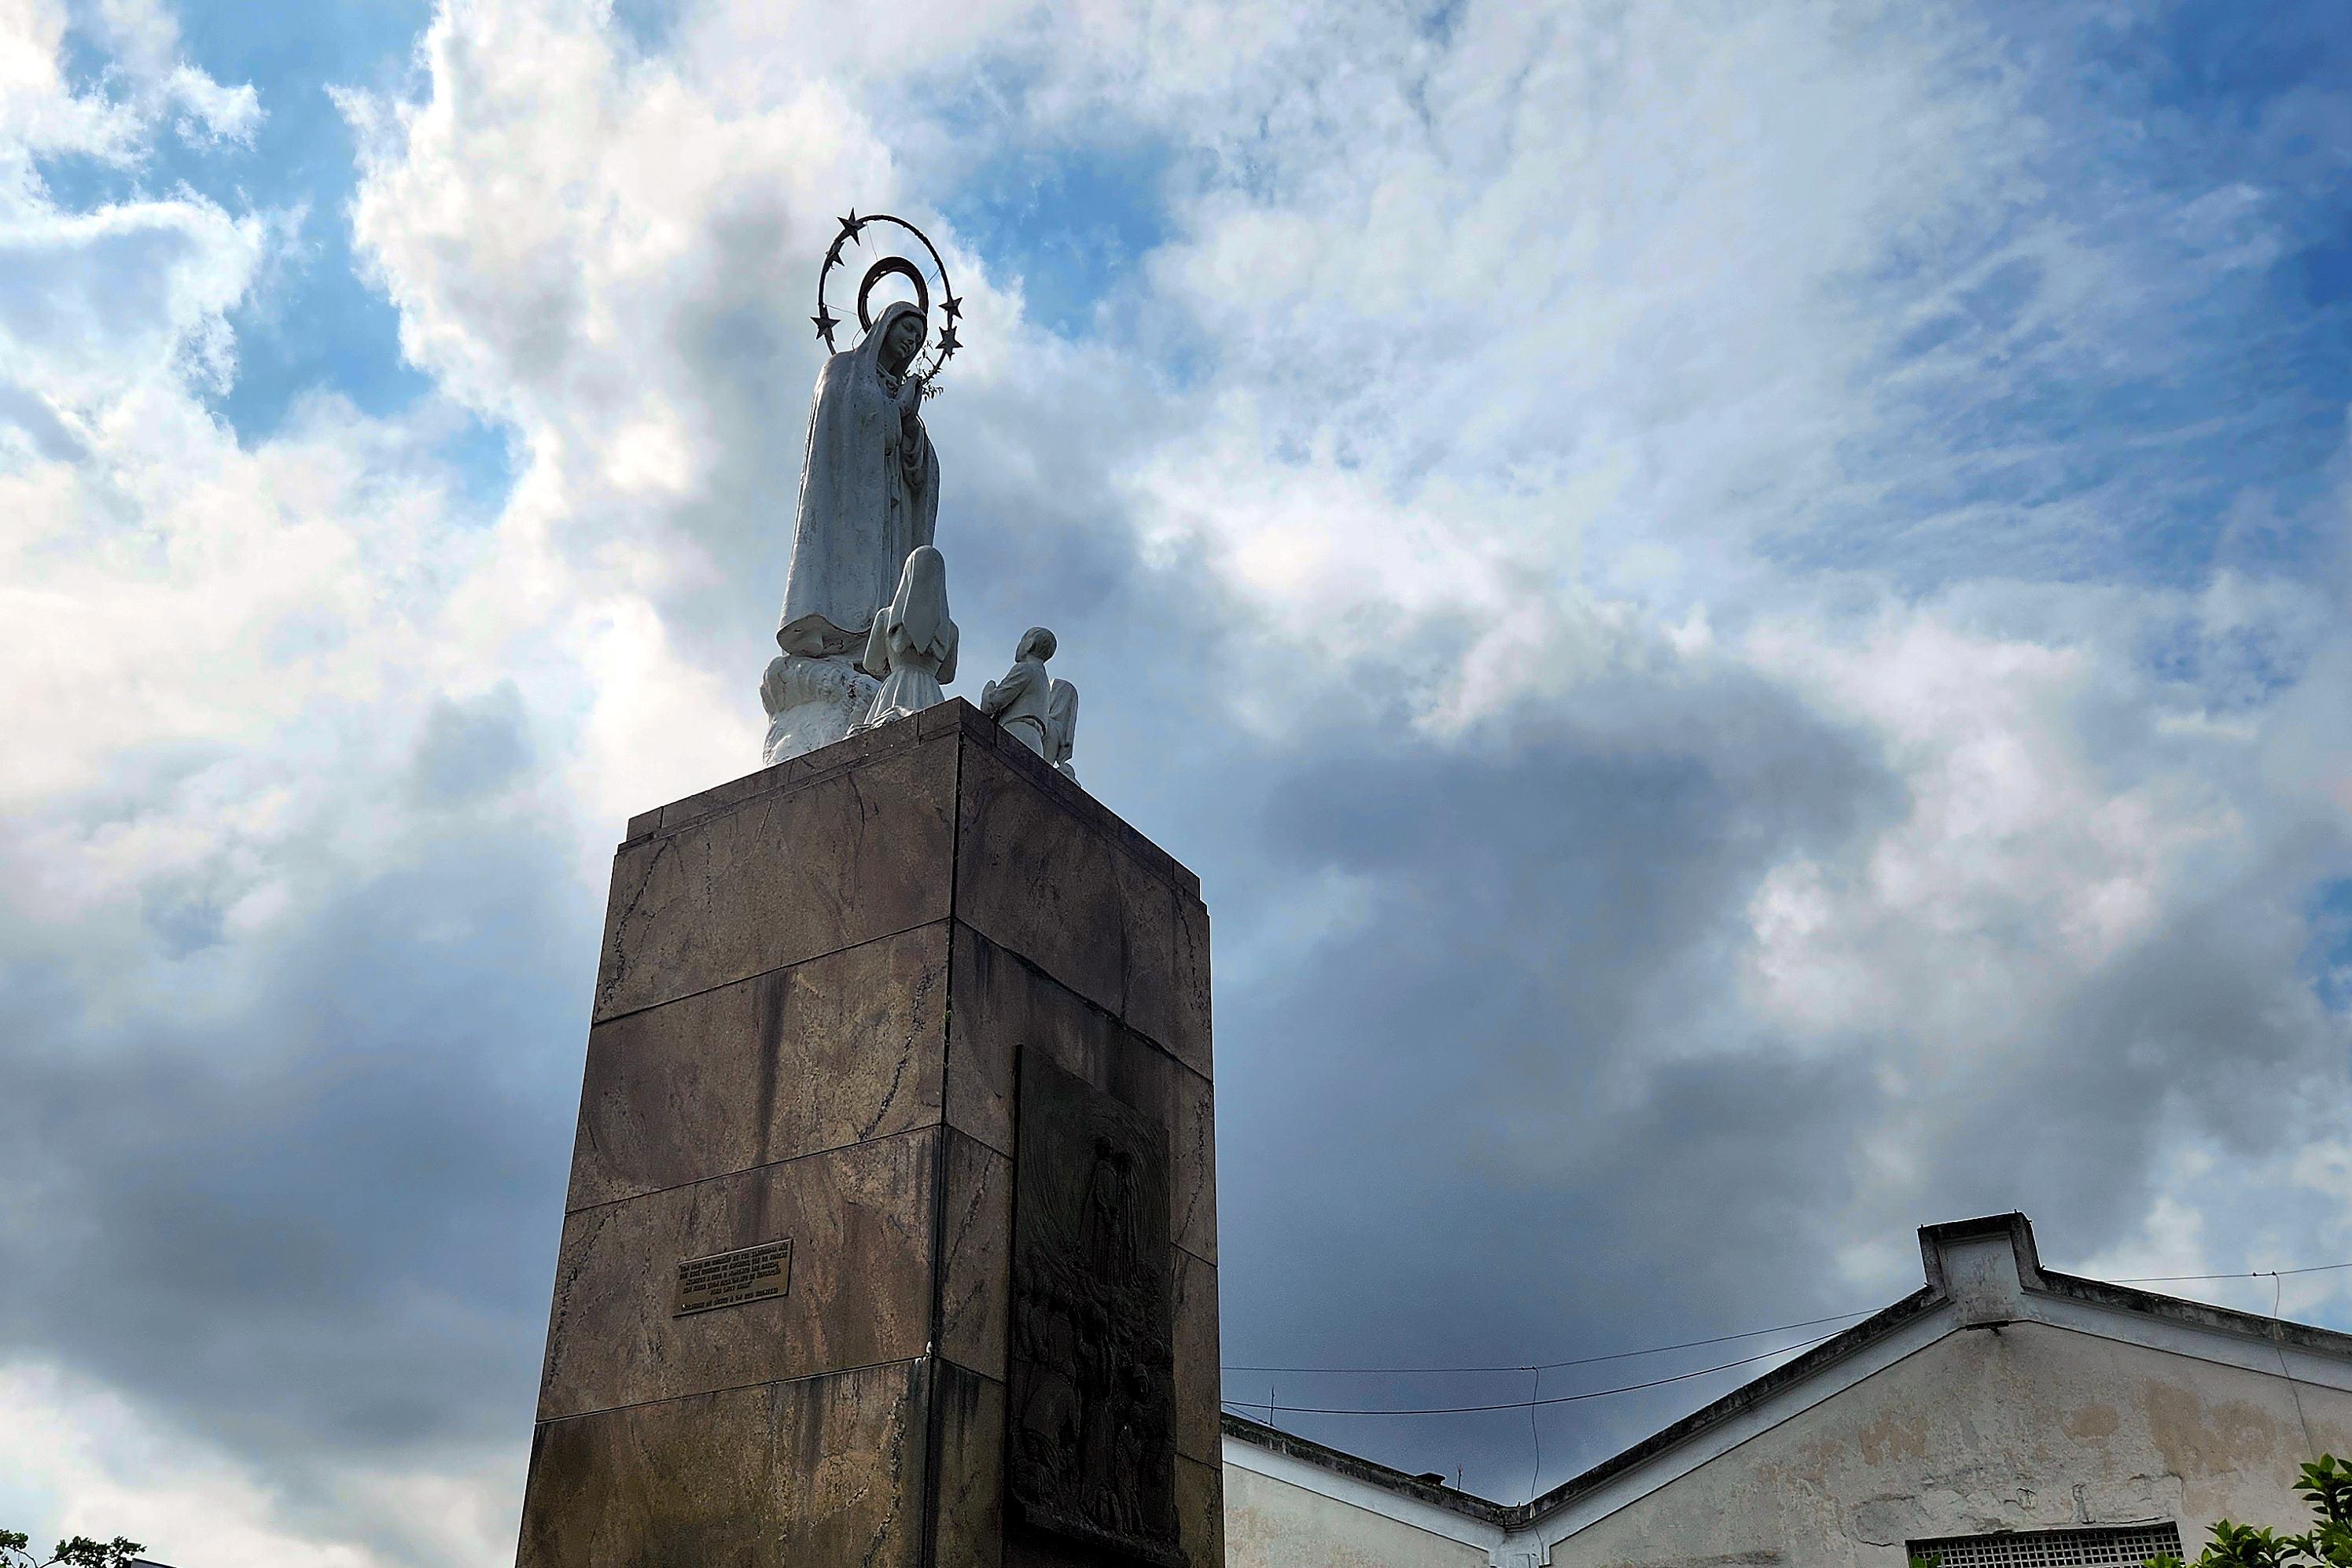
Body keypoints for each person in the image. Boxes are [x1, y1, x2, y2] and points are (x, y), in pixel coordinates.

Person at [774, 300, 939, 660]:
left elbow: (918, 469)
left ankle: (871, 646)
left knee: (883, 577)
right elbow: (843, 419)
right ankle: (822, 628)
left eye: (920, 338)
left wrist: (910, 425)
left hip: (887, 510)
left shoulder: (896, 391)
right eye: (908, 329)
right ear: (885, 325)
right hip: (847, 502)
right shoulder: (843, 369)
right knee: (844, 566)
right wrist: (895, 412)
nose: (912, 341)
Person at [858, 546, 958, 729]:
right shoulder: (950, 629)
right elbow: (947, 675)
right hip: (930, 692)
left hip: (895, 688)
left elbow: (871, 664)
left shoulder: (886, 617)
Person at [980, 627, 1056, 758]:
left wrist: (988, 691)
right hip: (1036, 743)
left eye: (1023, 640)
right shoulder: (1043, 679)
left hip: (1015, 732)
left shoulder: (1025, 669)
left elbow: (994, 703)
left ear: (1029, 644)